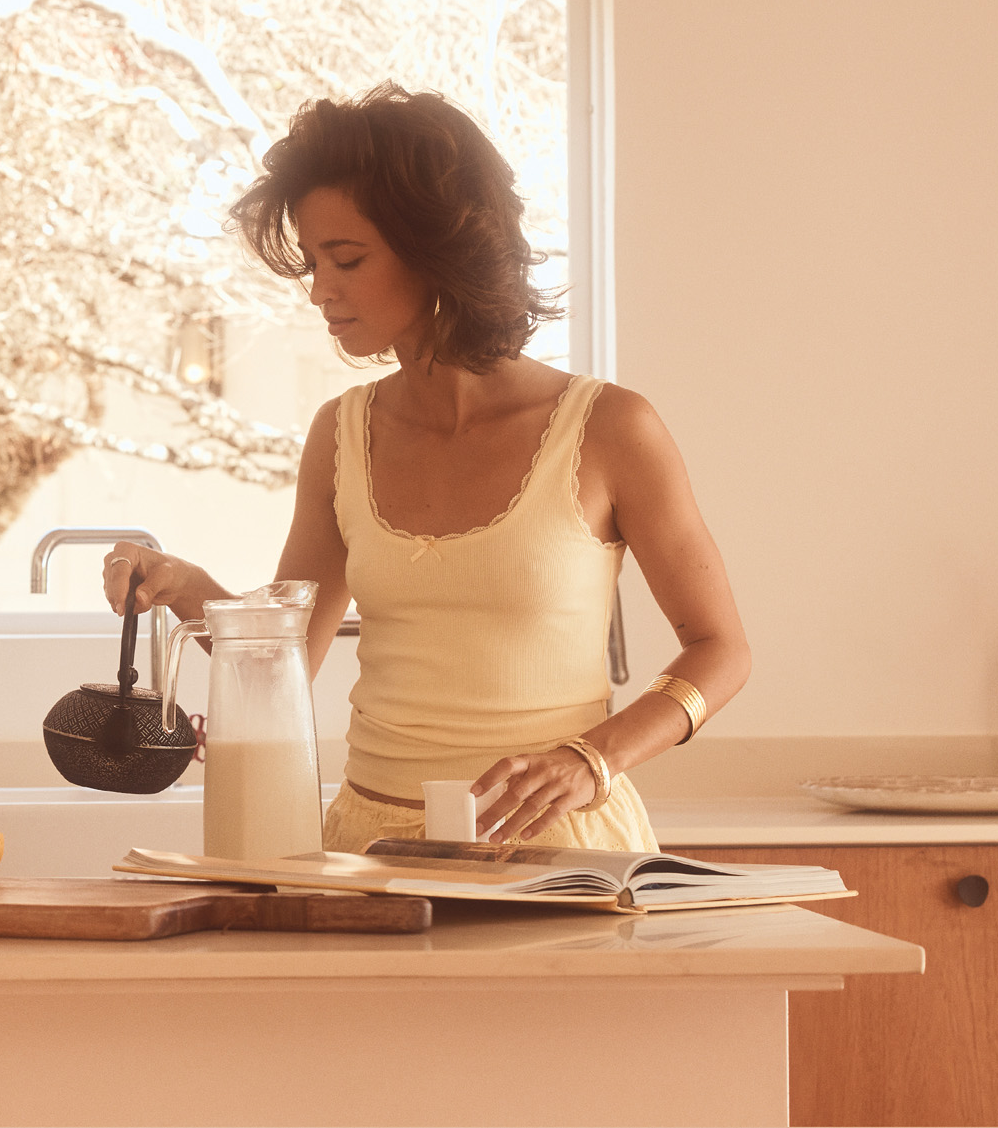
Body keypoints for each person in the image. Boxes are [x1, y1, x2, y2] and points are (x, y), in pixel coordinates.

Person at [102, 82, 749, 853]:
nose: (319, 289)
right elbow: (283, 665)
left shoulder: (609, 428)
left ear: (438, 249)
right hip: (370, 850)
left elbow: (722, 648)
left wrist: (594, 757)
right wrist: (185, 587)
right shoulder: (339, 434)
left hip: (559, 851)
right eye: (312, 261)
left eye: (346, 258)